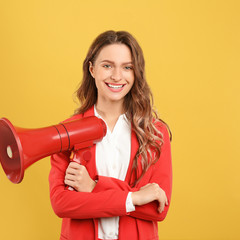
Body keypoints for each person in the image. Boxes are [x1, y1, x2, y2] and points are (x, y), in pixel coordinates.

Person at [49, 30, 172, 240]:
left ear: (136, 73)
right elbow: (61, 204)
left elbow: (157, 209)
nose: (117, 76)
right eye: (107, 65)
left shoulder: (155, 132)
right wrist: (136, 197)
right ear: (92, 69)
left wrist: (94, 187)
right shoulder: (68, 131)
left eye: (127, 67)